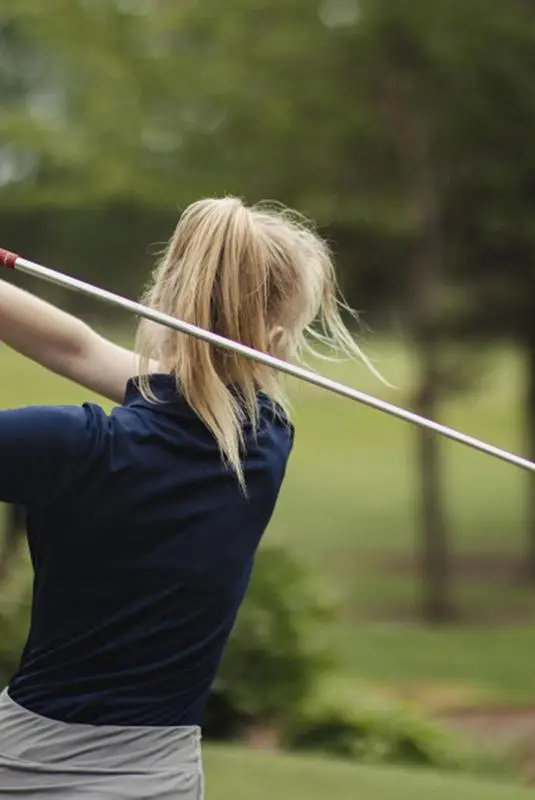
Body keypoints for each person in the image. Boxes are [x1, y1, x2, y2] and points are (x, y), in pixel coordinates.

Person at [0, 197, 376, 798]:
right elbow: (78, 350)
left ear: (161, 303)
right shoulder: (264, 442)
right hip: (162, 780)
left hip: (25, 772)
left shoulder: (71, 447)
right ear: (275, 345)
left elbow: (81, 350)